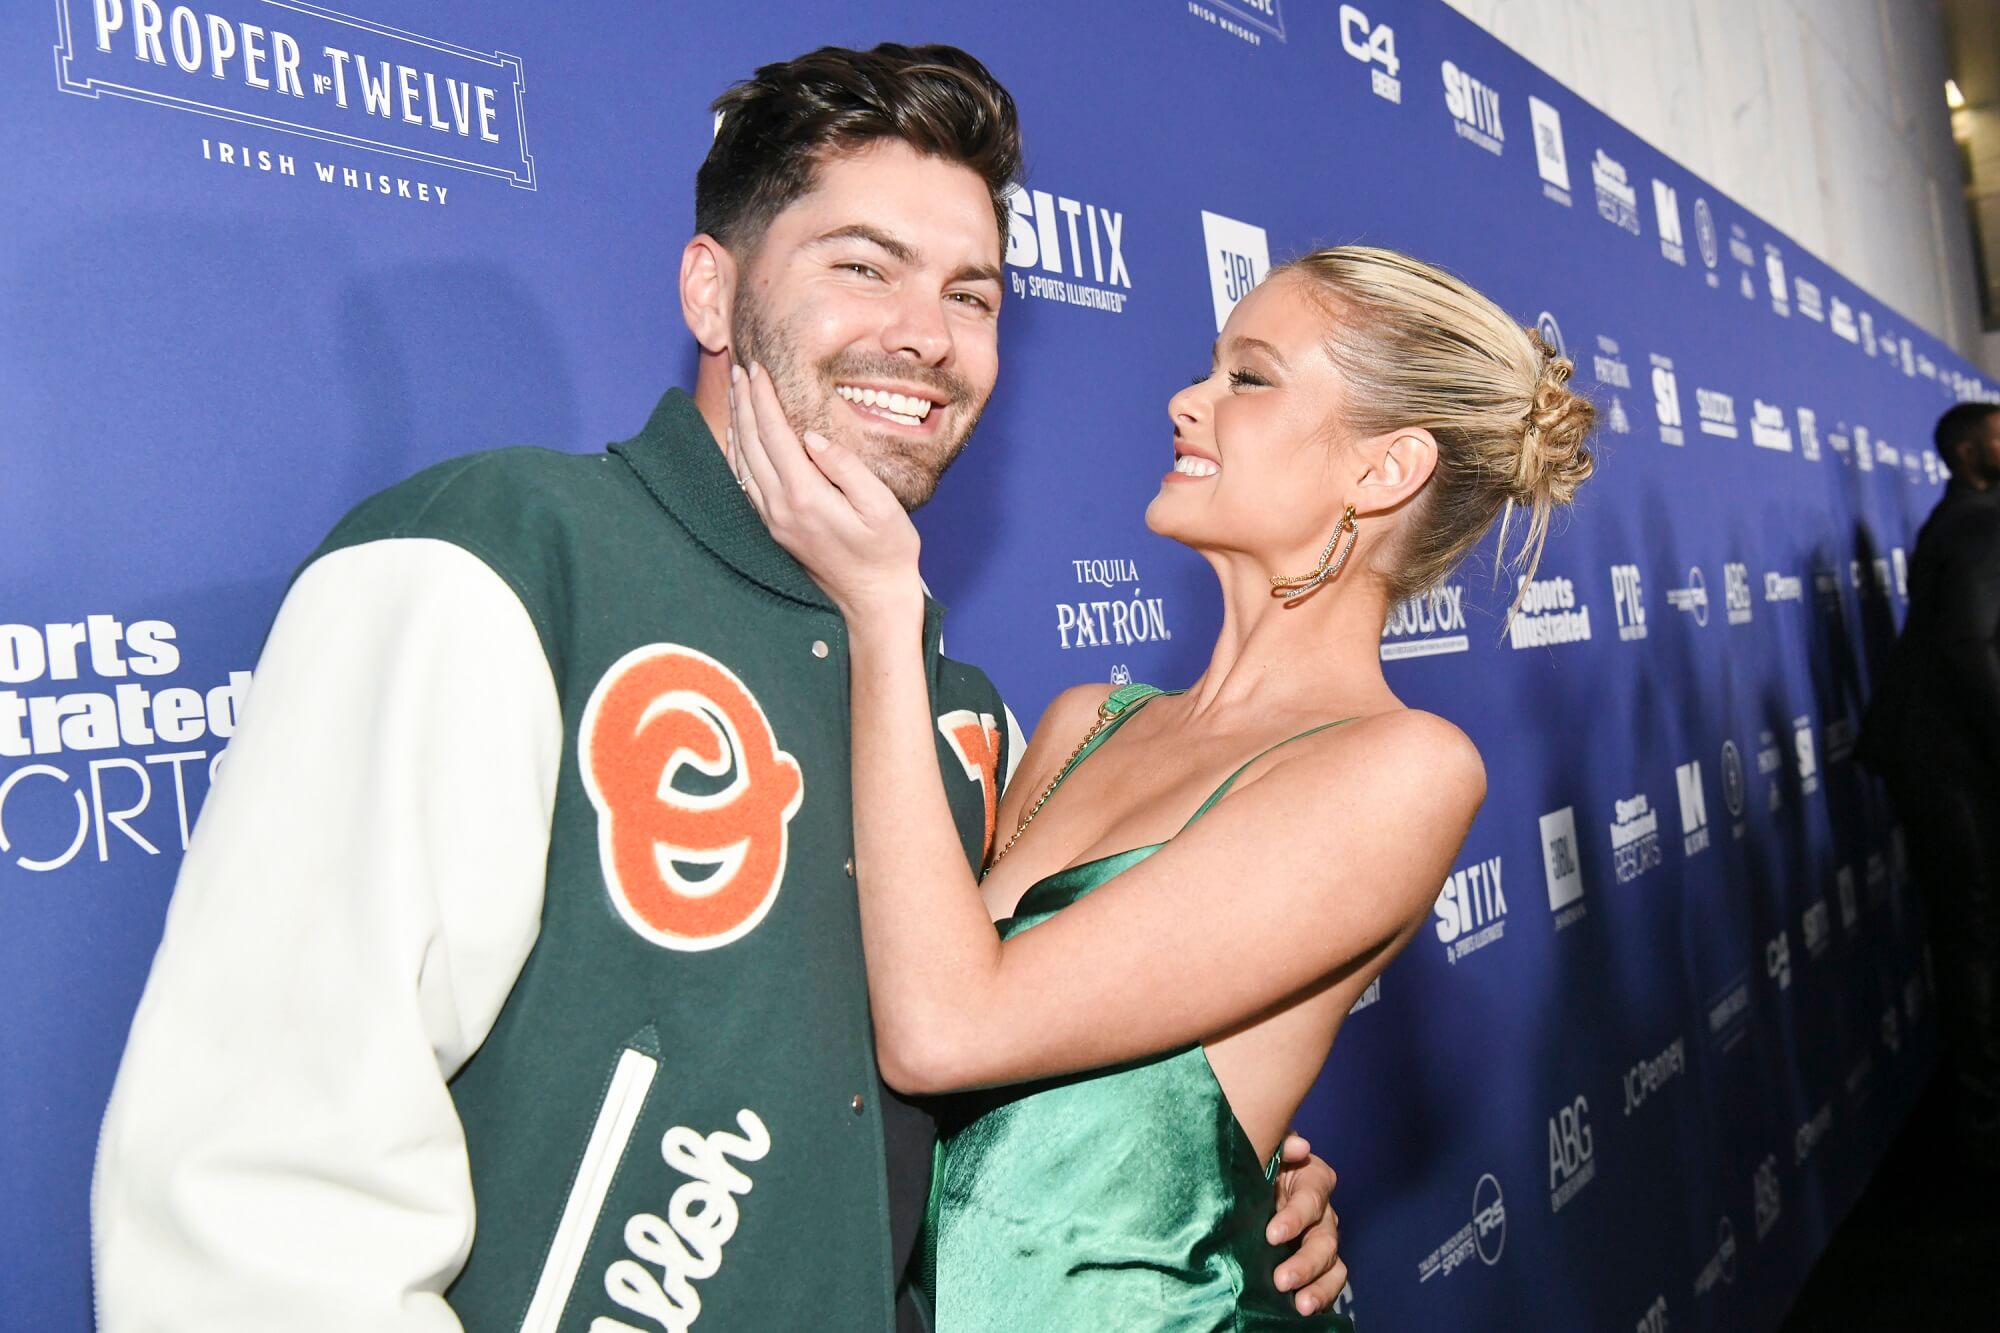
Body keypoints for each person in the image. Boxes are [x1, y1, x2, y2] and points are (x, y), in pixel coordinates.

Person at [89, 43, 1347, 1331]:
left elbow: (1001, 1101)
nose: (925, 334)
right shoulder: (500, 561)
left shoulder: (963, 718)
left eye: (971, 295)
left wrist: (1202, 1177)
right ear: (711, 291)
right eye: (860, 266)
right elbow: (256, 1211)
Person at [733, 243, 1596, 1327]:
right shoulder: (1083, 721)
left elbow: (947, 1030)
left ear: (1383, 470)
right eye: (1209, 365)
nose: (1187, 399)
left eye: (1249, 376)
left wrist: (877, 608)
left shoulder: (1403, 767)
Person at [1859, 400, 2000, 1171]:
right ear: (1969, 451)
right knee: (1973, 927)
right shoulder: (1979, 523)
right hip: (1954, 762)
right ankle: (1982, 1105)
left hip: (1948, 757)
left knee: (1970, 927)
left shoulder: (1960, 516)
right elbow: (1970, 647)